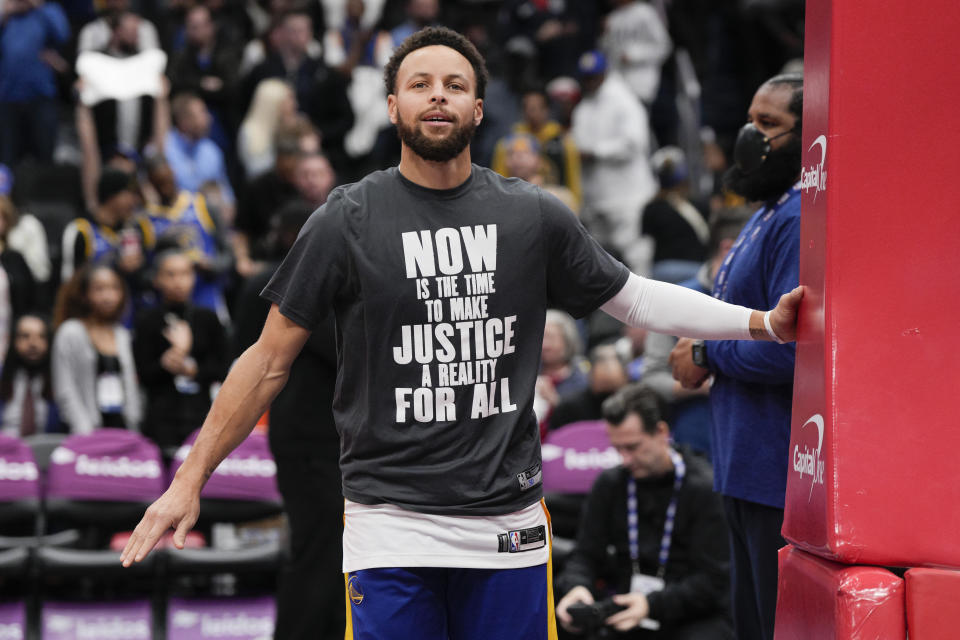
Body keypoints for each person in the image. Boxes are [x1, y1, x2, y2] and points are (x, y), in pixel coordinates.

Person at [120, 28, 803, 640]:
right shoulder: (345, 219)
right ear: (392, 107)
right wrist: (189, 479)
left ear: (479, 109)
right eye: (419, 84)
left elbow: (637, 299)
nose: (437, 97)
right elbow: (267, 362)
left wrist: (762, 324)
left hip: (505, 526)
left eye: (455, 85)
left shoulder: (532, 213)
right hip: (389, 522)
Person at [668, 73, 803, 640]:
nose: (751, 134)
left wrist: (706, 349)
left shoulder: (798, 219)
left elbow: (794, 350)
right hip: (739, 465)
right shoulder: (765, 212)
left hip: (777, 471)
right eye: (751, 119)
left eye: (769, 125)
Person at [555, 384, 732, 639]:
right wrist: (576, 586)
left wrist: (651, 605)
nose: (625, 459)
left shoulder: (703, 488)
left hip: (691, 614)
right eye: (618, 449)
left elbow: (714, 581)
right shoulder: (611, 484)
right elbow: (585, 555)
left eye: (633, 447)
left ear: (661, 432)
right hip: (627, 610)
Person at [642, 208, 750, 460]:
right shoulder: (675, 299)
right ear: (728, 249)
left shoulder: (766, 300)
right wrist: (705, 381)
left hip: (753, 440)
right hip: (697, 444)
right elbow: (652, 379)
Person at [133, 250, 228, 453]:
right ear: (157, 279)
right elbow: (142, 371)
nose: (178, 282)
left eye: (185, 274)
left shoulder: (208, 318)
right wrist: (167, 362)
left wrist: (192, 369)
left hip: (201, 414)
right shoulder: (147, 320)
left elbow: (223, 366)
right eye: (170, 274)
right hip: (160, 418)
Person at [571, 51, 656, 272]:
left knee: (635, 256)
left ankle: (645, 307)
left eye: (594, 76)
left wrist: (596, 152)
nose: (590, 81)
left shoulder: (624, 100)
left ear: (605, 73)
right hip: (597, 197)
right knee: (601, 260)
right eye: (586, 77)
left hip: (627, 196)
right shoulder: (584, 106)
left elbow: (634, 143)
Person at [52, 264, 141, 434]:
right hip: (85, 430)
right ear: (84, 294)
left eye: (114, 288)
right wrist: (84, 431)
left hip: (123, 429)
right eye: (99, 289)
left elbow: (132, 386)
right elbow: (65, 389)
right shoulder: (71, 332)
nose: (108, 296)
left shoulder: (123, 335)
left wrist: (134, 428)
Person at [0, 0, 70, 166]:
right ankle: (6, 192)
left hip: (41, 95)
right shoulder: (8, 11)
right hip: (7, 96)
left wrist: (37, 5)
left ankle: (45, 190)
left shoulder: (48, 10)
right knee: (7, 157)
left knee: (44, 155)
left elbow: (62, 33)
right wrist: (6, 10)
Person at [0, 314, 62, 436]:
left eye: (41, 336)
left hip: (46, 449)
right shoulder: (2, 376)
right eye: (25, 336)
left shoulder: (59, 379)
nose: (33, 343)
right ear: (13, 341)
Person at [548, 343, 629, 431]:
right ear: (590, 373)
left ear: (626, 374)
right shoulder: (568, 408)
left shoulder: (633, 406)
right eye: (601, 361)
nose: (606, 368)